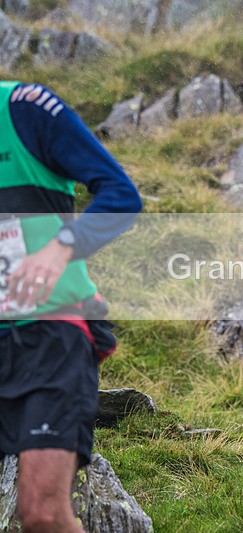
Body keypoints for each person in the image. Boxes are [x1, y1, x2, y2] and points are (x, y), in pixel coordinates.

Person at [0, 81, 142, 532]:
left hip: (49, 337)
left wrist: (62, 246)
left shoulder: (24, 109)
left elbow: (122, 195)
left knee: (42, 513)